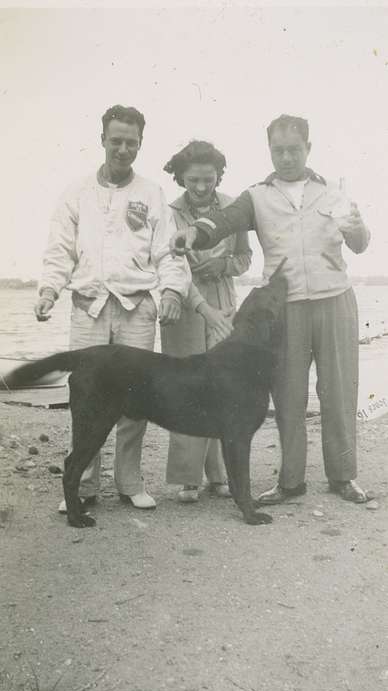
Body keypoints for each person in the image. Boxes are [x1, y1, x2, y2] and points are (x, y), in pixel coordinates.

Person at [170, 114, 371, 504]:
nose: (286, 158)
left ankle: (344, 477)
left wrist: (355, 226)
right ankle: (290, 482)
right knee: (288, 395)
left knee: (339, 393)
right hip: (287, 309)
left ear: (308, 148)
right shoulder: (257, 195)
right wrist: (193, 232)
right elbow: (223, 220)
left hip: (335, 301)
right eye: (278, 151)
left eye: (294, 149)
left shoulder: (332, 191)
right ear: (270, 152)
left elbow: (361, 244)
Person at [35, 104, 190, 513]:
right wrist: (49, 290)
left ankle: (129, 481)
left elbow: (168, 254)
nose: (123, 149)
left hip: (136, 308)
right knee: (85, 400)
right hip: (89, 308)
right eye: (116, 140)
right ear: (102, 139)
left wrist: (172, 293)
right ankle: (83, 486)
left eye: (132, 142)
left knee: (135, 401)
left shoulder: (152, 194)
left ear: (140, 144)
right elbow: (59, 250)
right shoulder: (77, 192)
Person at [161, 140, 252, 503]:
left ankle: (220, 476)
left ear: (218, 176)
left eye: (209, 180)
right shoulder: (168, 213)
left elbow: (245, 258)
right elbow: (165, 261)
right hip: (183, 303)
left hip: (223, 300)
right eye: (194, 180)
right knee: (185, 386)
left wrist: (225, 265)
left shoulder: (233, 208)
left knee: (223, 387)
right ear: (181, 177)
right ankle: (188, 478)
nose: (201, 187)